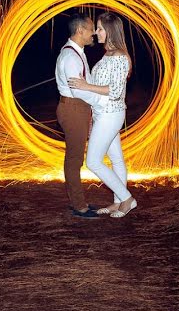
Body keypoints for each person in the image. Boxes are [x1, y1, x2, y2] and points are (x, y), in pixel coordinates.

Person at [68, 12, 136, 218]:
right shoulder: (108, 54)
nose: (96, 33)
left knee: (93, 162)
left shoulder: (120, 58)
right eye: (96, 29)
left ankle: (127, 199)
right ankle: (118, 202)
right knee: (116, 159)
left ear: (110, 31)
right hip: (103, 114)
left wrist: (85, 85)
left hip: (111, 114)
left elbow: (115, 90)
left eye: (99, 28)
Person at [55, 13, 107, 219]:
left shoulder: (78, 52)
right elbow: (79, 90)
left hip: (79, 108)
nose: (94, 32)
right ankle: (79, 206)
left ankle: (79, 202)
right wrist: (100, 100)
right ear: (80, 31)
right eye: (91, 28)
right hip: (74, 108)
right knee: (75, 159)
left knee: (76, 157)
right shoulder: (70, 57)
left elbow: (86, 83)